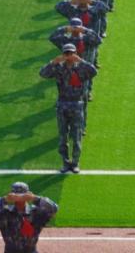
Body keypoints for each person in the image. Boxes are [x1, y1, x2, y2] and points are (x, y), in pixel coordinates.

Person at [39, 43, 97, 174]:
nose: (69, 56)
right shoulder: (59, 68)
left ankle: (75, 163)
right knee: (63, 137)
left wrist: (81, 61)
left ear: (75, 53)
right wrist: (53, 62)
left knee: (77, 136)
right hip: (63, 104)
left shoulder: (81, 68)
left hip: (77, 104)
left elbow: (94, 72)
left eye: (71, 53)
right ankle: (65, 163)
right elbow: (43, 74)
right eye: (66, 53)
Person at [0, 182, 58, 253]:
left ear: (28, 195)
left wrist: (36, 199)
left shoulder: (35, 213)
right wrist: (4, 200)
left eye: (22, 195)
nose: (19, 198)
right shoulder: (5, 213)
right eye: (16, 195)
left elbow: (54, 208)